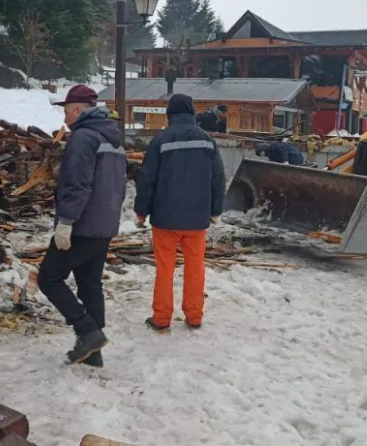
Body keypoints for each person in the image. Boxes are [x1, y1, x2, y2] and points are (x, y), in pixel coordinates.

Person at [36, 85, 127, 367]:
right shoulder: (114, 139)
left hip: (82, 225)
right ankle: (94, 352)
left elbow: (78, 184)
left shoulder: (83, 138)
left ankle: (87, 330)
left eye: (66, 112)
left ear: (78, 109)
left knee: (49, 278)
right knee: (89, 283)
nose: (65, 119)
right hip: (105, 224)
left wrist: (65, 222)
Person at [134, 93, 225, 332]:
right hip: (197, 219)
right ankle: (194, 316)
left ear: (169, 115)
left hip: (165, 219)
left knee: (165, 269)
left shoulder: (160, 140)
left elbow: (147, 179)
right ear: (193, 114)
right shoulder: (207, 141)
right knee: (195, 268)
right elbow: (218, 178)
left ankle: (162, 318)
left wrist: (141, 212)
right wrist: (215, 210)